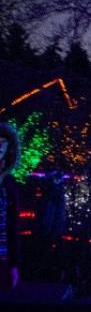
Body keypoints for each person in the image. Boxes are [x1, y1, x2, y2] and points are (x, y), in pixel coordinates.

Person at [0, 123, 21, 291]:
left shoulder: (9, 183)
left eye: (4, 142)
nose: (0, 146)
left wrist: (14, 264)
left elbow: (13, 224)